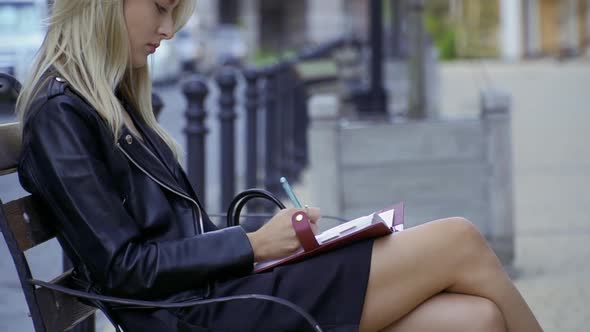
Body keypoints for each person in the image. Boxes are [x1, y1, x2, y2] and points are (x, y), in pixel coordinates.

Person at [15, 1, 543, 331]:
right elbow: (124, 268)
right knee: (458, 239)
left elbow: (167, 239)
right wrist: (253, 244)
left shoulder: (105, 99)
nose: (168, 28)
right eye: (160, 6)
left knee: (478, 319)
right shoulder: (62, 114)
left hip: (221, 296)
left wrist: (266, 240)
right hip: (203, 315)